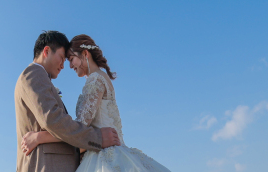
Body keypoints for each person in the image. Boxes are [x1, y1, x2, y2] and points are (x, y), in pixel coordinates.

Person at [21, 34, 171, 172]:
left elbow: (80, 126)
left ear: (85, 54)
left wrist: (39, 137)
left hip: (103, 156)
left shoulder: (95, 80)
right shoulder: (100, 77)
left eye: (71, 58)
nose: (69, 65)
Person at [15, 31, 121, 172]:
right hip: (45, 165)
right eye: (62, 58)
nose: (64, 66)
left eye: (69, 59)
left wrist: (39, 137)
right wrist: (98, 137)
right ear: (46, 51)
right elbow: (53, 120)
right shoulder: (34, 73)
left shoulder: (42, 77)